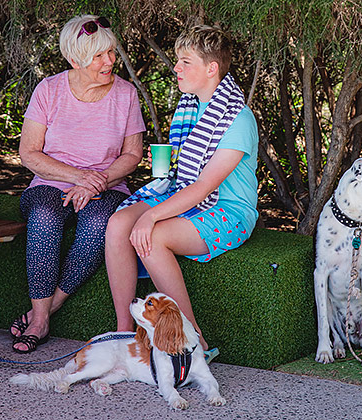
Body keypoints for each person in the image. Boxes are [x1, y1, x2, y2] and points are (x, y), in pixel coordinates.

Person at [105, 25, 259, 356]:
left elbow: (206, 185)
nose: (176, 68)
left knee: (154, 236)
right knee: (118, 224)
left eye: (185, 61)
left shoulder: (238, 119)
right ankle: (123, 333)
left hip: (228, 210)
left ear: (211, 68)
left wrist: (151, 216)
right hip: (188, 195)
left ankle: (194, 339)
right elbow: (187, 176)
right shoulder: (190, 106)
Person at [10, 15, 146, 353]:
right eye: (99, 56)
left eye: (112, 52)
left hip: (108, 185)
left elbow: (132, 154)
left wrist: (97, 181)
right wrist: (78, 177)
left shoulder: (126, 94)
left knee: (99, 223)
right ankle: (41, 320)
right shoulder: (49, 89)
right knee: (44, 217)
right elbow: (29, 153)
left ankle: (44, 311)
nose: (110, 62)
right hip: (51, 182)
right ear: (75, 59)